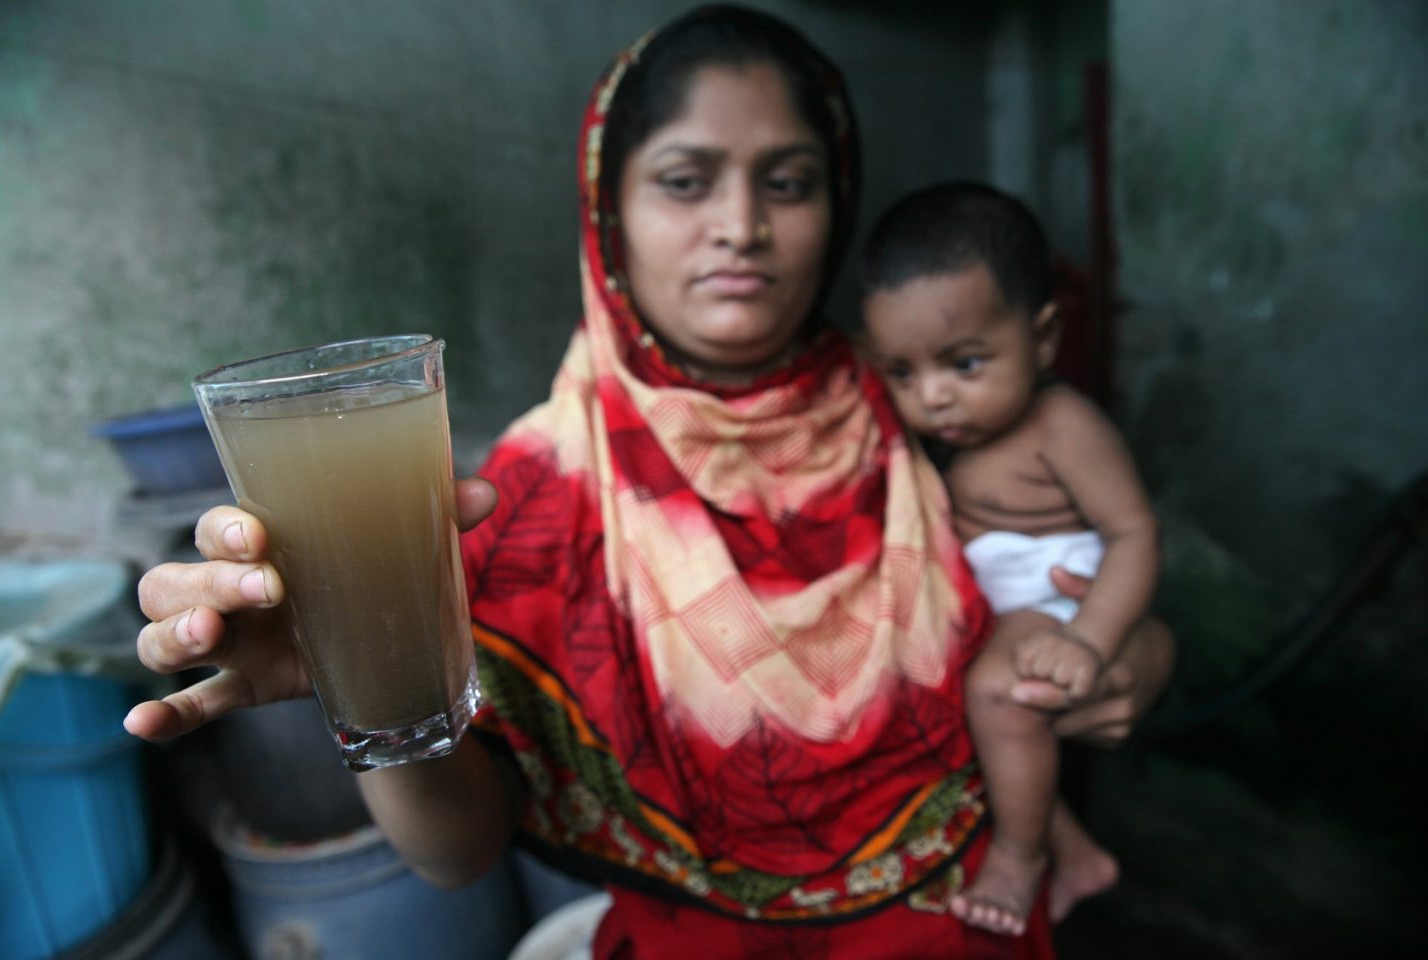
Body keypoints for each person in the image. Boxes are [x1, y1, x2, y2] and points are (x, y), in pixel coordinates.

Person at [129, 8, 1173, 957]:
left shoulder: (916, 405)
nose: (742, 226)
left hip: (964, 926)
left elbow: (1069, 569)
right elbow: (458, 855)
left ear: (837, 201)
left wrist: (1136, 655)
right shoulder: (537, 494)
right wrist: (365, 686)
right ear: (608, 212)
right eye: (685, 179)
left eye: (789, 180)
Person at [859, 181, 1163, 936]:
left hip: (1056, 600)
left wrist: (1089, 639)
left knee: (999, 697)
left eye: (965, 364)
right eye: (903, 373)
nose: (934, 397)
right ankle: (1080, 852)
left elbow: (1134, 534)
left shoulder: (1061, 424)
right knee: (971, 718)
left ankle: (1023, 857)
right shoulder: (935, 439)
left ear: (1046, 338)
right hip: (1000, 605)